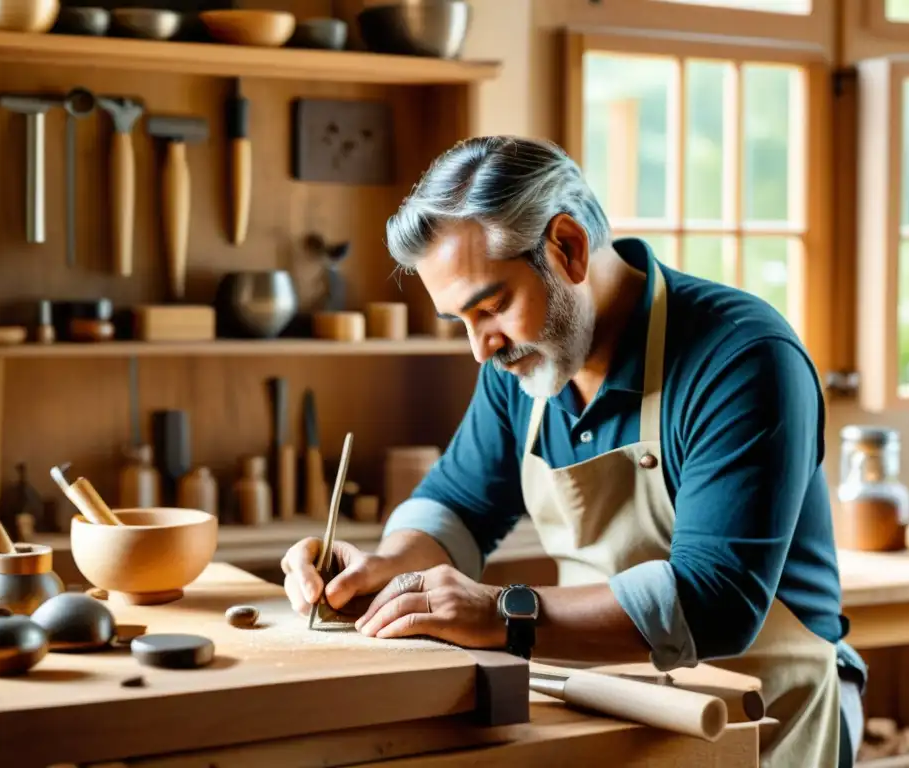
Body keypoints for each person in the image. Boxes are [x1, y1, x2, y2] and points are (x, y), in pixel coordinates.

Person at [281, 136, 868, 767]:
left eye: (492, 306)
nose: (481, 348)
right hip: (611, 698)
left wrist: (505, 612)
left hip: (771, 714)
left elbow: (715, 602)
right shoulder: (527, 367)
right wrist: (387, 570)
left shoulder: (741, 357)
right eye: (462, 322)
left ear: (568, 247)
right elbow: (457, 507)